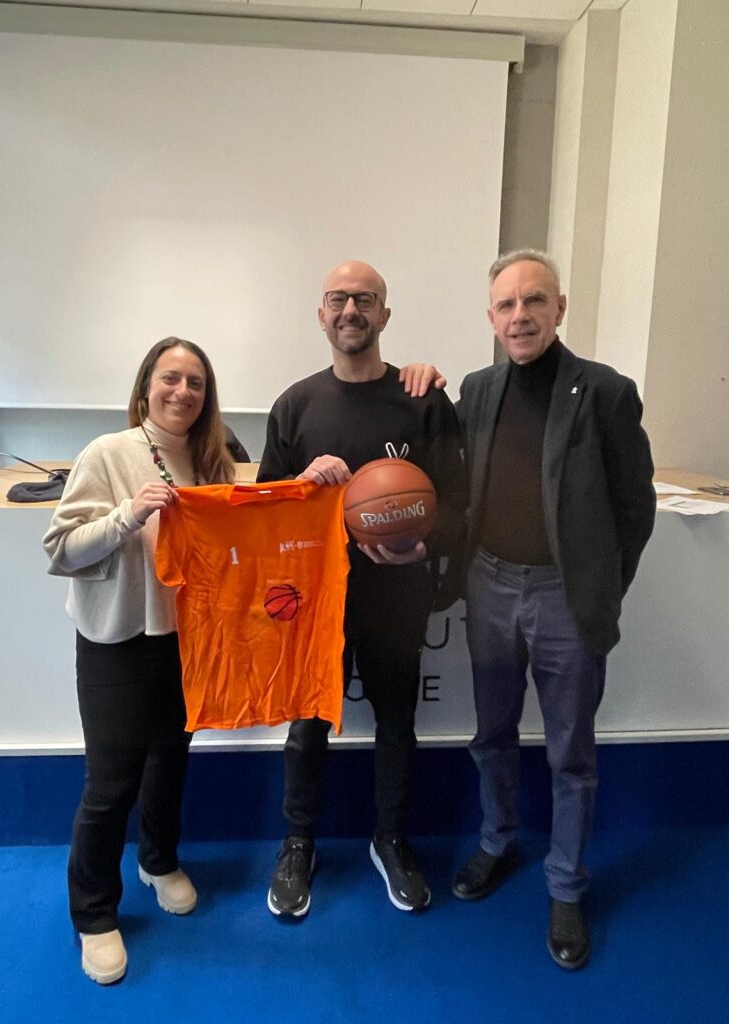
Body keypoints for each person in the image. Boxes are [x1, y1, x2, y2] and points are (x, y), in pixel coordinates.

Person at [451, 250, 656, 969]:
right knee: (491, 733)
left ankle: (566, 884)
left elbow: (634, 506)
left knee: (571, 752)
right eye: (507, 305)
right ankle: (497, 841)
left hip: (565, 595)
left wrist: (601, 587)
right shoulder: (476, 391)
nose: (521, 316)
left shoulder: (605, 392)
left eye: (534, 301)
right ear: (491, 318)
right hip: (487, 584)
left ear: (559, 309)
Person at [258, 260, 466, 917]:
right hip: (318, 599)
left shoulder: (422, 399)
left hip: (396, 594)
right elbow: (268, 512)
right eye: (339, 299)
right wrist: (302, 486)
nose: (351, 310)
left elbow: (460, 502)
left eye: (366, 299)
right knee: (307, 727)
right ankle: (298, 843)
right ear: (322, 315)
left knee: (397, 724)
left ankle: (391, 839)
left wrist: (423, 545)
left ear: (385, 315)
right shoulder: (294, 405)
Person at [43, 337, 240, 985]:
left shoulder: (214, 460)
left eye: (196, 383)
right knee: (110, 785)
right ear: (146, 386)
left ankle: (158, 861)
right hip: (116, 641)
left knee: (170, 759)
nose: (183, 392)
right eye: (171, 378)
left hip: (184, 641)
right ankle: (94, 913)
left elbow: (252, 522)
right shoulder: (108, 452)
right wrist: (128, 515)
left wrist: (316, 481)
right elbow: (61, 548)